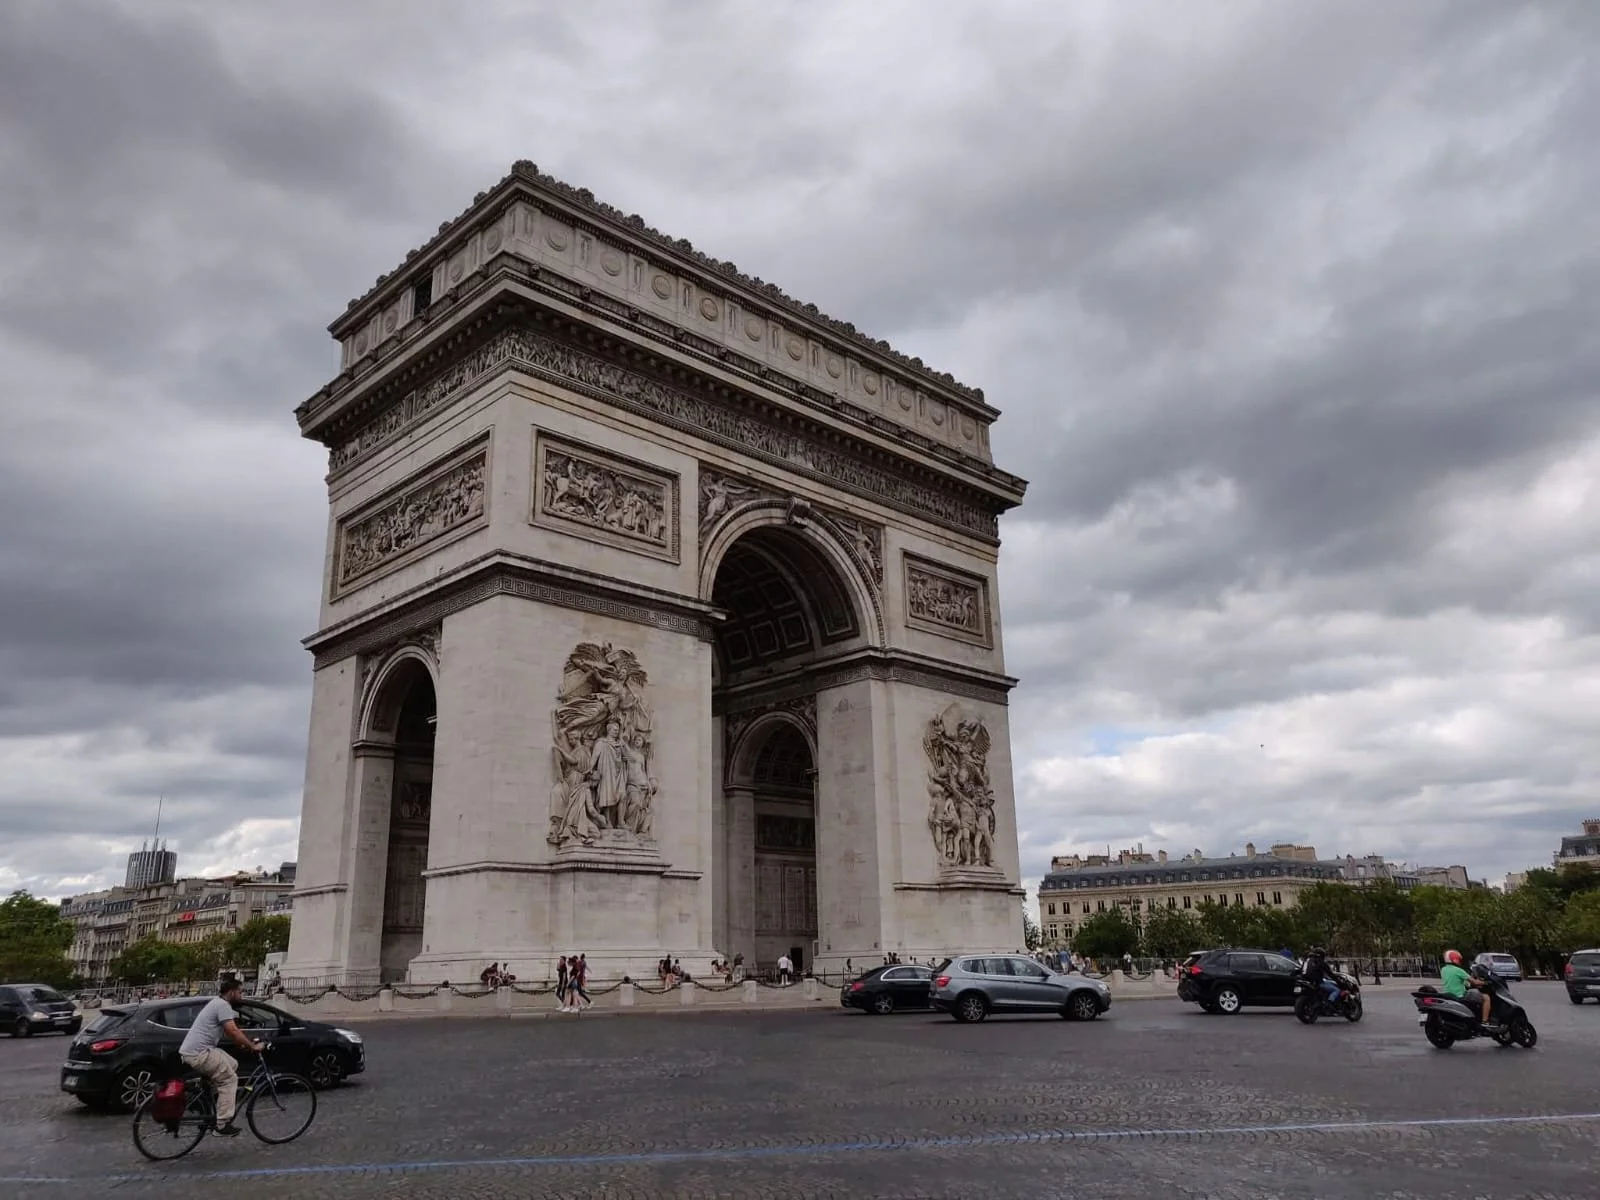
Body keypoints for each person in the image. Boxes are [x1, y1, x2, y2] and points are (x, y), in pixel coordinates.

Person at [177, 975, 262, 1137]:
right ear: (231, 992)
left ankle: (206, 1094)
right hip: (200, 1054)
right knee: (230, 1079)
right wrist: (252, 1046)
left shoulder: (216, 1003)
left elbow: (231, 1033)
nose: (241, 995)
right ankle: (222, 1125)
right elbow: (232, 1030)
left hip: (195, 1051)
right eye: (240, 992)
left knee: (233, 1064)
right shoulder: (223, 1005)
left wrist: (242, 1044)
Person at [1441, 949, 1496, 1028]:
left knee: (1474, 993)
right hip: (1459, 994)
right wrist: (1486, 983)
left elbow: (1454, 980)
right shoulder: (1458, 970)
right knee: (1486, 998)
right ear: (1455, 959)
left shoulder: (1443, 969)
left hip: (1448, 994)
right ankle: (1485, 1021)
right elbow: (1474, 982)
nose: (1460, 961)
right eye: (1459, 959)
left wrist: (1467, 984)